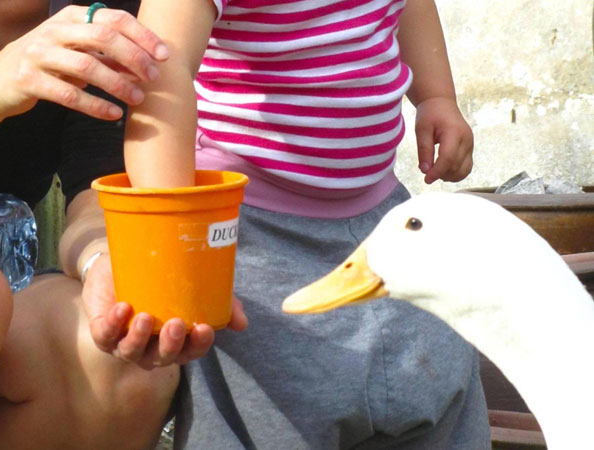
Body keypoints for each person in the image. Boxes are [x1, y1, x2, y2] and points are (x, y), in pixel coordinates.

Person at [100, 0, 492, 448]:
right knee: (267, 411)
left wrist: (436, 95)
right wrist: (175, 247)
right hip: (250, 229)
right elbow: (160, 71)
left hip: (381, 210)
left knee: (438, 380)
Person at [0, 1, 246, 449]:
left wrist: (106, 262)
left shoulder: (98, 10)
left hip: (5, 296)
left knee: (120, 358)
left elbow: (94, 187)